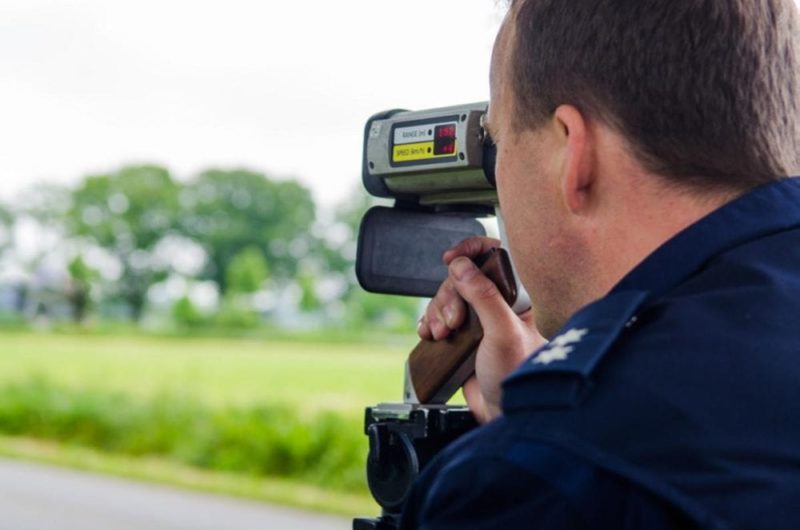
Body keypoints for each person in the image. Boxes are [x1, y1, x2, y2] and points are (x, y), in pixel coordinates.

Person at [400, 0, 800, 528]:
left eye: (499, 143)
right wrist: (524, 410)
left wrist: (533, 438)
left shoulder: (539, 480)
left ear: (574, 154)